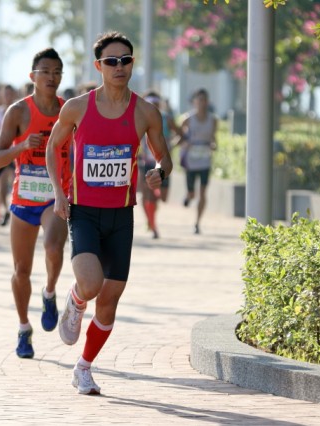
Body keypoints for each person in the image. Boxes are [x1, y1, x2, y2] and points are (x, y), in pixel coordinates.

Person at [46, 31, 172, 395]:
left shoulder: (146, 112)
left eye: (126, 60)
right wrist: (58, 192)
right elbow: (54, 148)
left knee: (109, 303)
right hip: (84, 211)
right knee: (90, 284)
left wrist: (159, 172)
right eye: (112, 61)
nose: (120, 67)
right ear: (98, 66)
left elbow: (164, 157)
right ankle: (75, 300)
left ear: (132, 64)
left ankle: (83, 367)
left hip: (121, 216)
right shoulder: (76, 108)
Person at [0, 48, 71, 359]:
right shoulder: (18, 112)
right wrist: (23, 145)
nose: (52, 77)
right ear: (33, 76)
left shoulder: (68, 110)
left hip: (55, 195)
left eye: (57, 72)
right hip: (24, 198)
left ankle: (49, 292)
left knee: (53, 247)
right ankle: (24, 328)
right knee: (21, 270)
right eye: (45, 71)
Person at [139, 91, 180, 239]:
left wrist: (172, 146)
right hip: (146, 162)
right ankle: (152, 225)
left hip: (162, 163)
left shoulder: (166, 118)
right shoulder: (139, 117)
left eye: (155, 103)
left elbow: (181, 133)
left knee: (162, 197)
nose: (153, 106)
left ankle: (151, 216)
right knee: (148, 194)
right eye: (149, 103)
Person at [178, 88, 217, 235]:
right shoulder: (187, 119)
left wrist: (213, 145)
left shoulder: (213, 120)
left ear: (207, 102)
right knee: (192, 193)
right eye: (199, 100)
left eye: (204, 100)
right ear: (195, 102)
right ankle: (188, 197)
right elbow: (180, 136)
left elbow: (214, 138)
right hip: (191, 160)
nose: (202, 103)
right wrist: (184, 143)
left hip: (205, 159)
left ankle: (197, 223)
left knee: (203, 192)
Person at [0, 84, 18, 228]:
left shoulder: (19, 111)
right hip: (2, 152)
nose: (8, 97)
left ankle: (12, 209)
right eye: (5, 94)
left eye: (10, 94)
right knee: (1, 184)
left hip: (16, 152)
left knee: (15, 182)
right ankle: (5, 210)